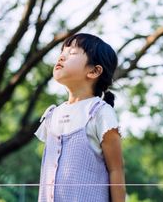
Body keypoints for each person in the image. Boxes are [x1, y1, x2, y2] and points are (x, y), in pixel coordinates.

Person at [35, 33, 125, 202]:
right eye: (63, 51)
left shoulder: (100, 113)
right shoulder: (52, 115)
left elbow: (116, 169)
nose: (62, 56)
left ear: (94, 71)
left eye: (73, 53)